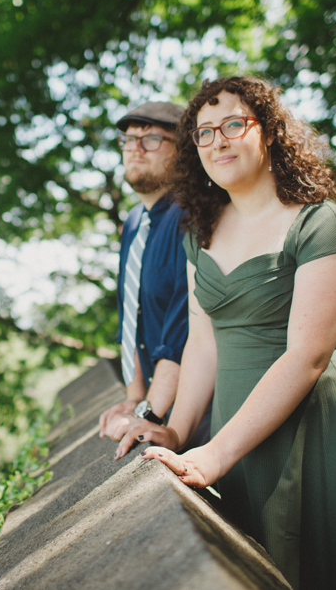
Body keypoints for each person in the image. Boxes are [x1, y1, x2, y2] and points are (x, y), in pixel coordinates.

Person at [117, 77, 336, 590]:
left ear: (268, 132)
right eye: (204, 133)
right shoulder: (197, 231)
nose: (218, 141)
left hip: (319, 428)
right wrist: (178, 433)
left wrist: (215, 454)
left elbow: (307, 358)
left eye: (232, 125)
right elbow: (202, 341)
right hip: (234, 426)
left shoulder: (322, 223)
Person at [98, 101, 209, 449]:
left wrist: (148, 414)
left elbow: (183, 328)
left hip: (202, 411)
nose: (135, 150)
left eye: (151, 139)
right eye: (129, 140)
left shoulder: (193, 215)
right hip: (158, 402)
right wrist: (134, 397)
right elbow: (130, 314)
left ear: (184, 151)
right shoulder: (133, 222)